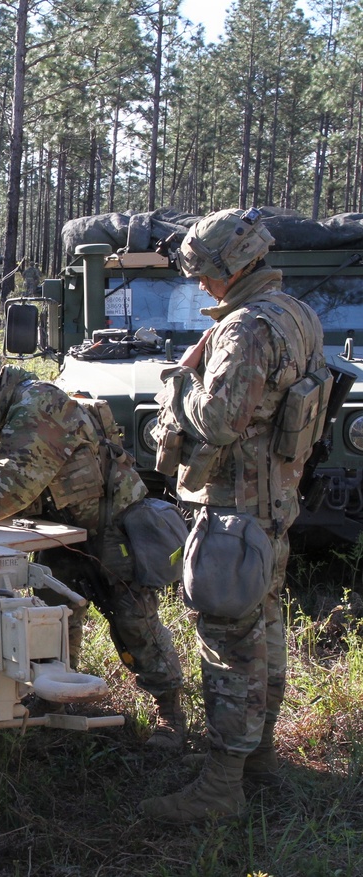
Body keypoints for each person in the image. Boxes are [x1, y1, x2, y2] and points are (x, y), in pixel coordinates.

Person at [139, 208, 327, 823]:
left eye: (202, 273)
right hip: (271, 506)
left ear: (230, 267)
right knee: (264, 634)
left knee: (228, 648)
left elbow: (220, 422)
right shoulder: (297, 314)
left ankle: (222, 786)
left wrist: (177, 384)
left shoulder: (246, 329)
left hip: (231, 512)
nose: (198, 285)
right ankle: (261, 760)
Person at [0, 346, 186, 747]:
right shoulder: (8, 412)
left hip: (109, 528)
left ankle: (171, 711)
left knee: (135, 623)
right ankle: (57, 701)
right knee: (53, 617)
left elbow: (9, 487)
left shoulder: (36, 405)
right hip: (62, 528)